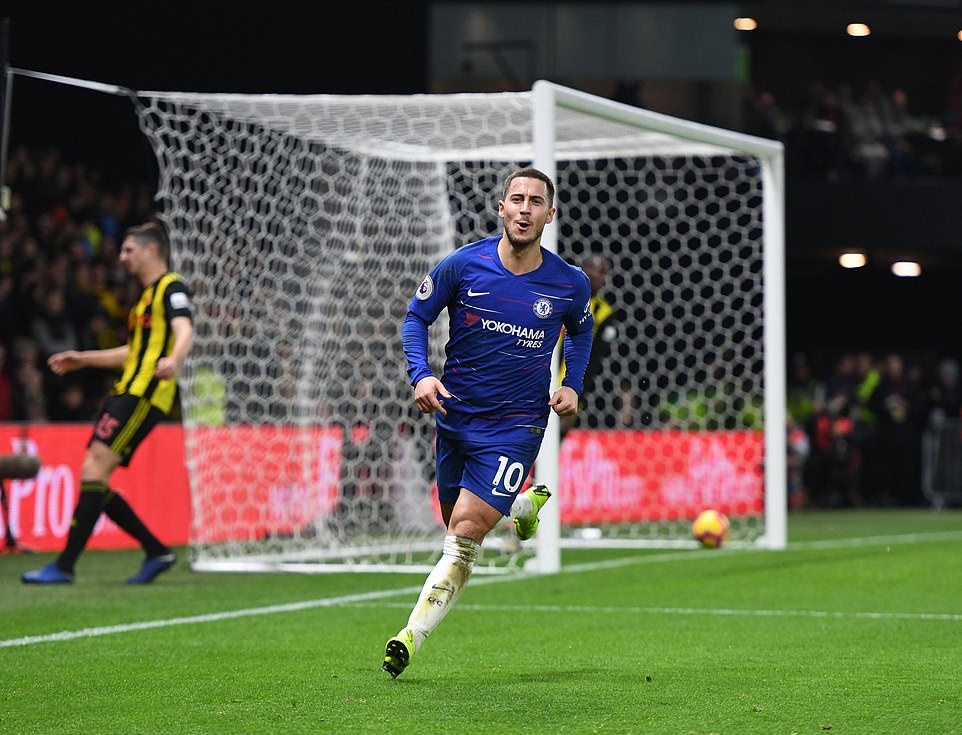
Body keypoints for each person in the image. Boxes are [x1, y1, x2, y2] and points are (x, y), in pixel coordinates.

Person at [382, 167, 594, 678]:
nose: (524, 209)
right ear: (501, 209)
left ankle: (409, 636)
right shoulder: (463, 265)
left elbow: (581, 332)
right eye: (516, 199)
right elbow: (415, 317)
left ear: (549, 214)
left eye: (535, 201)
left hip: (517, 425)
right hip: (455, 417)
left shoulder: (569, 283)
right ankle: (522, 506)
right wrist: (420, 375)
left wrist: (572, 383)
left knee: (464, 533)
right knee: (456, 518)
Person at [22, 222, 193, 585]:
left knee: (94, 467)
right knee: (94, 473)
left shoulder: (171, 287)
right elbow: (133, 352)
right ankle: (155, 550)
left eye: (129, 250)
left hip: (145, 394)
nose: (122, 257)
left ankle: (65, 566)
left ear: (151, 250)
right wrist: (82, 359)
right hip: (125, 391)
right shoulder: (144, 300)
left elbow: (185, 329)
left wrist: (174, 359)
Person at [559, 253, 617, 434]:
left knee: (557, 438)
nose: (604, 278)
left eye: (605, 273)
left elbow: (595, 359)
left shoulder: (603, 311)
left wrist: (578, 393)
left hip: (570, 388)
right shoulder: (560, 297)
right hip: (539, 380)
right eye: (600, 271)